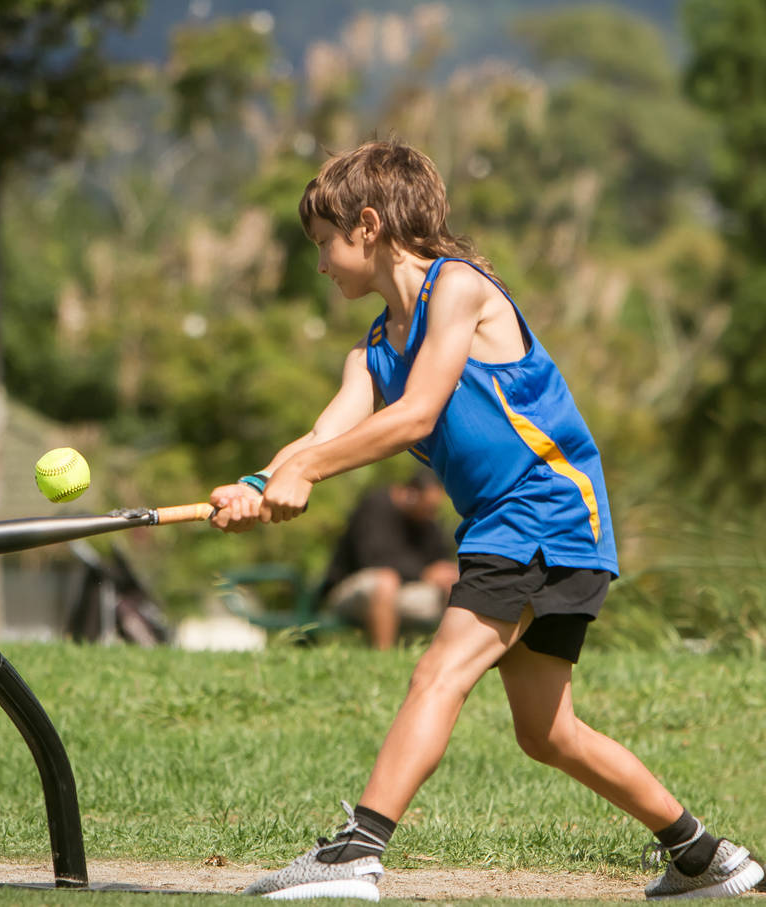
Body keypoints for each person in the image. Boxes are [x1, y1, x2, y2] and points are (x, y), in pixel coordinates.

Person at [208, 139, 762, 901]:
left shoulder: (461, 289)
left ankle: (358, 850)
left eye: (325, 244)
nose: (321, 264)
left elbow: (416, 415)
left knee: (440, 669)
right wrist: (256, 482)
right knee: (547, 732)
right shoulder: (369, 351)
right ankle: (708, 858)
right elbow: (323, 434)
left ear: (367, 225)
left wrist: (304, 471)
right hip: (524, 525)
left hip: (544, 509)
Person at [320, 469, 457, 649]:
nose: (431, 514)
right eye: (428, 508)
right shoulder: (376, 506)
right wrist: (424, 572)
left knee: (457, 582)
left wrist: (445, 574)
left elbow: (438, 561)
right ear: (411, 494)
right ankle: (384, 659)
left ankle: (449, 656)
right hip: (352, 592)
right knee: (385, 581)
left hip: (405, 594)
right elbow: (371, 559)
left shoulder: (427, 519)